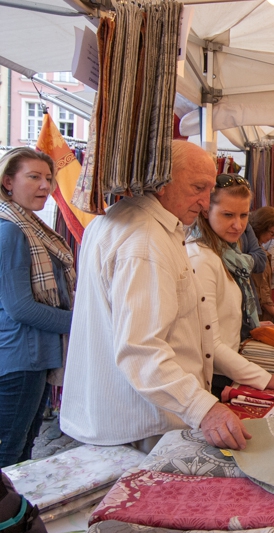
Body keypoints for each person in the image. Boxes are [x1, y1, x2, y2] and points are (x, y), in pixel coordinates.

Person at [61, 141, 255, 452]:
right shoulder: (145, 240)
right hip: (138, 422)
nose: (205, 203)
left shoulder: (129, 221)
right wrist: (204, 408)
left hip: (131, 415)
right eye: (197, 188)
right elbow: (141, 349)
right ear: (162, 182)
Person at [187, 174, 274, 395]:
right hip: (212, 378)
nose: (238, 225)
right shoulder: (202, 260)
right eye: (228, 215)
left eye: (244, 215)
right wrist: (267, 379)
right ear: (205, 210)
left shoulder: (228, 254)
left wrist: (251, 328)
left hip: (226, 369)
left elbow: (222, 321)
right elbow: (210, 342)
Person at [0, 148, 74, 468]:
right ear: (7, 182)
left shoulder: (28, 226)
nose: (45, 185)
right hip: (21, 360)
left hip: (32, 356)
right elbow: (21, 309)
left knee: (23, 449)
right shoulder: (11, 230)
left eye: (48, 178)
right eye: (33, 177)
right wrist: (82, 322)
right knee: (11, 455)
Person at [250, 206, 274, 325]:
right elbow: (262, 293)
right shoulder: (256, 254)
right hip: (259, 316)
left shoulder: (258, 249)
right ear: (261, 227)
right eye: (272, 233)